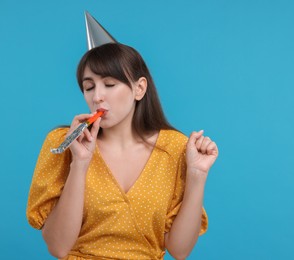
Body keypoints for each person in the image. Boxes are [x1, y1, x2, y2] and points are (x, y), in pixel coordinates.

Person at [27, 13, 218, 260]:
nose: (97, 97)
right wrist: (80, 163)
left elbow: (180, 250)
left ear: (139, 88)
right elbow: (58, 247)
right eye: (88, 86)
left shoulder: (174, 148)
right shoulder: (64, 143)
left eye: (109, 84)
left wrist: (197, 176)